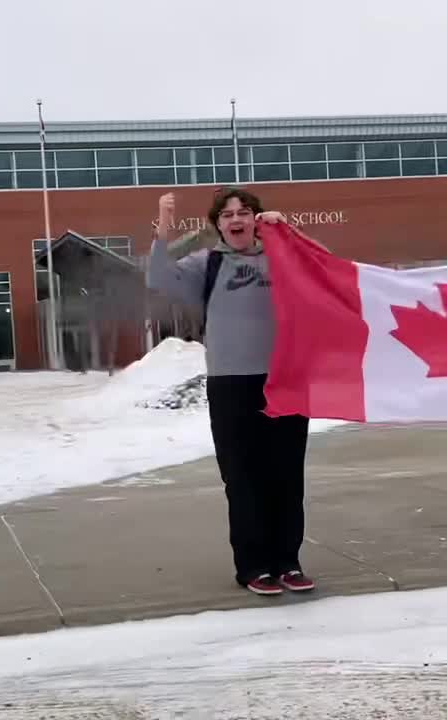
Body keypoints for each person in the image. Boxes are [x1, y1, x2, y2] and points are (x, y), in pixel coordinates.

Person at [145, 186, 315, 596]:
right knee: (242, 478)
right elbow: (159, 278)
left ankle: (287, 562)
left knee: (287, 477)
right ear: (217, 224)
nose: (236, 219)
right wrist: (163, 231)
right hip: (231, 384)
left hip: (286, 380)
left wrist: (287, 231)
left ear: (257, 218)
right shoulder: (209, 263)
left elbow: (323, 266)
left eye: (244, 212)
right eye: (226, 215)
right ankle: (254, 567)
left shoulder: (282, 257)